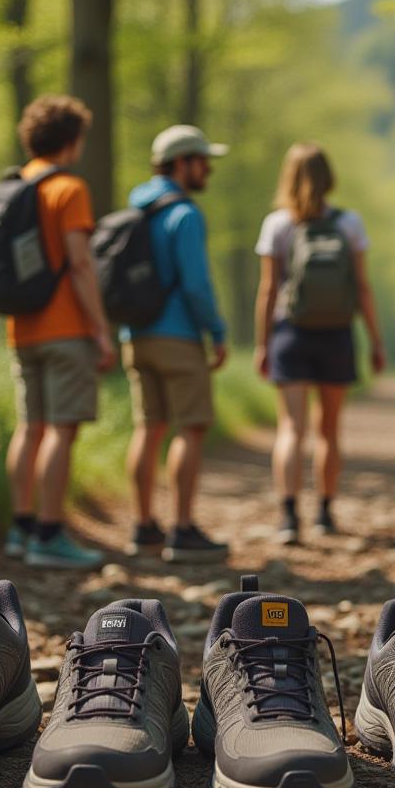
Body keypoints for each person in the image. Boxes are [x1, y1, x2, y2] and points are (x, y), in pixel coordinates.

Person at [253, 143, 385, 544]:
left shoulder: (277, 224)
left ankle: (288, 517)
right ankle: (325, 513)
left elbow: (268, 290)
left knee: (291, 428)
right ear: (329, 178)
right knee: (329, 429)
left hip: (290, 332)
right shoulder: (350, 223)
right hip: (337, 333)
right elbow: (362, 288)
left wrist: (263, 344)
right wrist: (375, 341)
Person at [4, 95, 115, 569]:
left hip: (21, 326)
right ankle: (49, 534)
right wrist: (100, 328)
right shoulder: (68, 188)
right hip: (65, 327)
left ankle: (21, 526)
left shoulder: (13, 185)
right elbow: (80, 263)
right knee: (62, 431)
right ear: (72, 140)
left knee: (30, 427)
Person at [122, 125, 230, 563]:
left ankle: (144, 527)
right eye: (203, 161)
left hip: (136, 333)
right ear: (182, 163)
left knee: (149, 427)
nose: (208, 170)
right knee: (191, 427)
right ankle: (183, 529)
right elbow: (196, 284)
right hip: (178, 335)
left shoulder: (137, 205)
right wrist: (217, 331)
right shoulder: (185, 214)